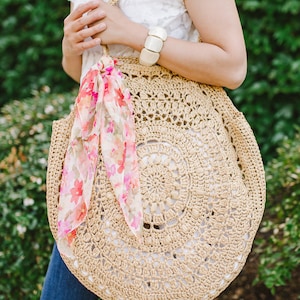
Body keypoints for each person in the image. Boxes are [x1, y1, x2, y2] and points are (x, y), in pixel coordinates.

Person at [40, 0, 247, 299]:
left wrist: (135, 35)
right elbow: (85, 71)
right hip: (92, 185)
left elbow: (232, 66)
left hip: (167, 178)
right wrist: (71, 46)